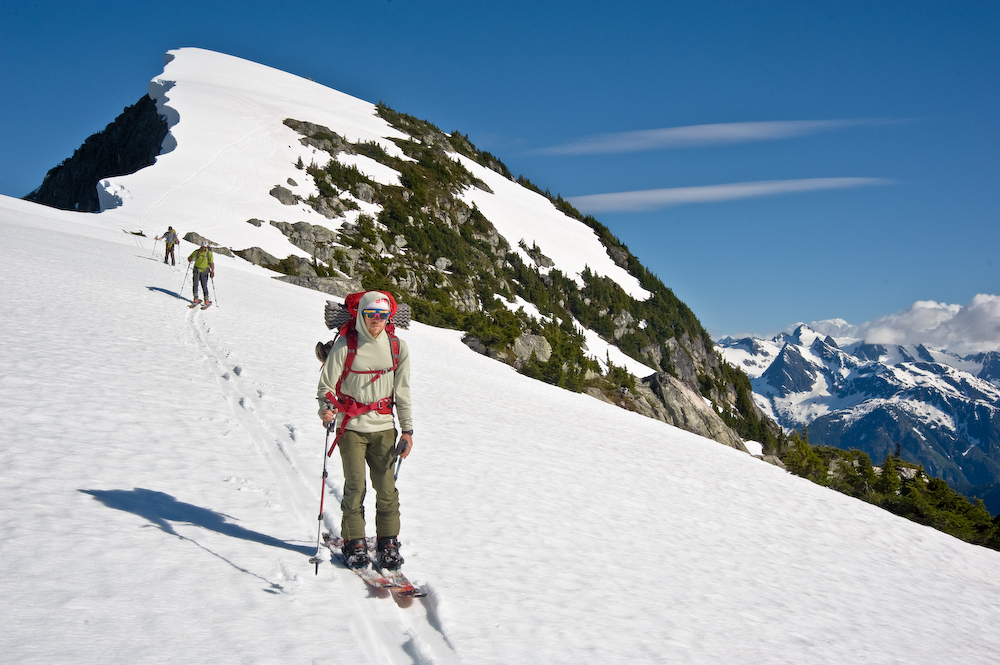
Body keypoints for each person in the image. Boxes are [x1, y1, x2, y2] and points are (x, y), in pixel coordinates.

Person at [317, 291, 413, 570]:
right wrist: (326, 410)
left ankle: (388, 542)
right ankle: (354, 541)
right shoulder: (345, 345)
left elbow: (403, 392)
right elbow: (326, 386)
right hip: (351, 428)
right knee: (355, 485)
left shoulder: (398, 347)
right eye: (371, 315)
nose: (377, 321)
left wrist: (407, 430)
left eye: (382, 316)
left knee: (386, 488)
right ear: (361, 315)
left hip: (384, 428)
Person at [187, 241, 215, 306]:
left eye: (204, 247)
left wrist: (212, 271)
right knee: (195, 284)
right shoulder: (196, 252)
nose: (203, 248)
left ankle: (206, 300)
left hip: (204, 271)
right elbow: (189, 258)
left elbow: (211, 263)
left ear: (206, 247)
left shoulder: (209, 253)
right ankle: (195, 299)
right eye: (202, 247)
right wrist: (190, 259)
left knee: (204, 286)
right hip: (196, 270)